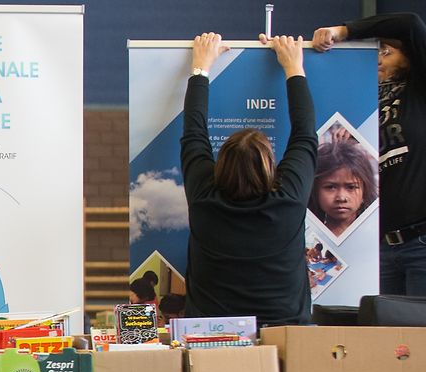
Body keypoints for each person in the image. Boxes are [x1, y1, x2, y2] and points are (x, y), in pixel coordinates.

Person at [181, 33, 313, 325]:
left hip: (213, 334)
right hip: (287, 333)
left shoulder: (204, 198)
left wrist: (201, 67)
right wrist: (293, 67)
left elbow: (193, 133)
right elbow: (304, 133)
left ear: (221, 163)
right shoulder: (288, 200)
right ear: (269, 165)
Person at [314, 13, 426, 294]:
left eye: (387, 52)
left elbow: (411, 23)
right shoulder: (365, 101)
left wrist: (341, 30)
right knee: (386, 334)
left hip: (420, 242)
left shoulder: (418, 91)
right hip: (378, 246)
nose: (378, 59)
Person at [307, 137, 379, 238]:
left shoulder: (376, 236)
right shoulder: (307, 237)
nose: (341, 198)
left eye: (351, 187)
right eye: (331, 187)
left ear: (365, 191)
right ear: (315, 191)